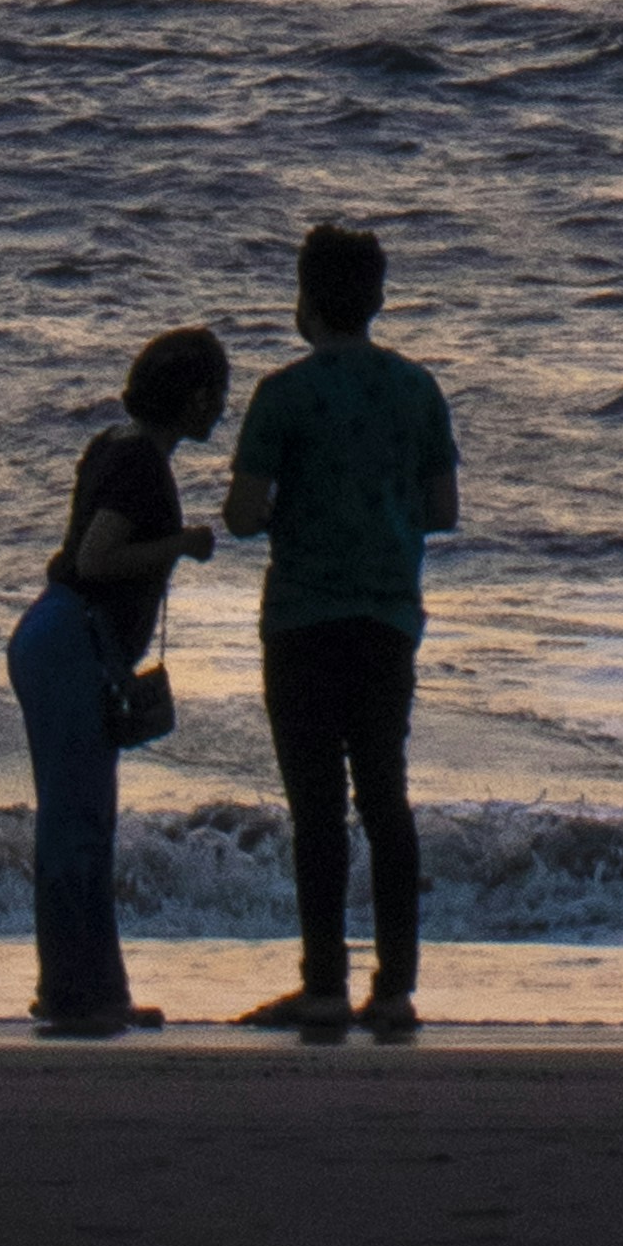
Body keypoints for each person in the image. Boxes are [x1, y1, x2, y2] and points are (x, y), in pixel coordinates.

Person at [222, 217, 461, 1038]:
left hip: (301, 619)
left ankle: (324, 984)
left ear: (304, 300)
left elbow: (243, 515)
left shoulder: (282, 394)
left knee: (316, 807)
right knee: (386, 797)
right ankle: (394, 989)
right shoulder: (418, 390)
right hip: (388, 616)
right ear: (378, 299)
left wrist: (293, 510)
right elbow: (443, 509)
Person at [6, 323, 228, 1039]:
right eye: (216, 391)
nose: (221, 406)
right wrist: (181, 545)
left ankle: (88, 989)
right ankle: (78, 993)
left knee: (80, 820)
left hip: (58, 635)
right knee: (78, 823)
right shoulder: (139, 463)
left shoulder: (114, 446)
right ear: (192, 398)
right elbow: (97, 559)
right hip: (72, 641)